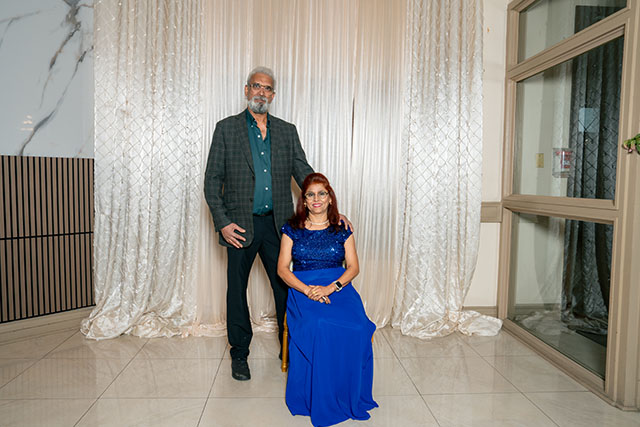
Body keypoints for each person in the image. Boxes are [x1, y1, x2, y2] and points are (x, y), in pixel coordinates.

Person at [203, 66, 313, 381]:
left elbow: (304, 173)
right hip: (239, 226)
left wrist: (326, 203)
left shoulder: (287, 131)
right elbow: (212, 181)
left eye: (267, 88)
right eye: (256, 86)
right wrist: (223, 222)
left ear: (273, 95)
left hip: (278, 226)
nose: (261, 92)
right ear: (246, 90)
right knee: (237, 290)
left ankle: (288, 347)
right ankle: (239, 354)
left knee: (284, 288)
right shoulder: (226, 129)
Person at [277, 173, 378, 426]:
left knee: (358, 326)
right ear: (304, 200)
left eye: (322, 193)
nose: (317, 199)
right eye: (310, 194)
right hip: (303, 288)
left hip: (338, 286)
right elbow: (282, 269)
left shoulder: (343, 228)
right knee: (320, 325)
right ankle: (319, 393)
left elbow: (353, 267)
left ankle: (346, 389)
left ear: (330, 198)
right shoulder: (292, 229)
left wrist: (331, 288)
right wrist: (308, 290)